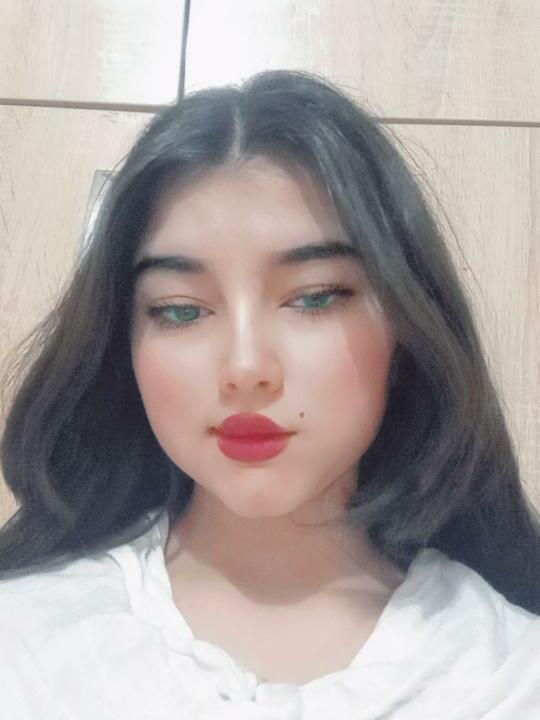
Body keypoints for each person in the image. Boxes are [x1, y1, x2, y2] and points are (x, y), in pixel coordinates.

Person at [0, 69, 539, 718]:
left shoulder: (508, 674)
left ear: (406, 324)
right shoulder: (25, 646)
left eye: (314, 298)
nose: (246, 366)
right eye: (180, 309)